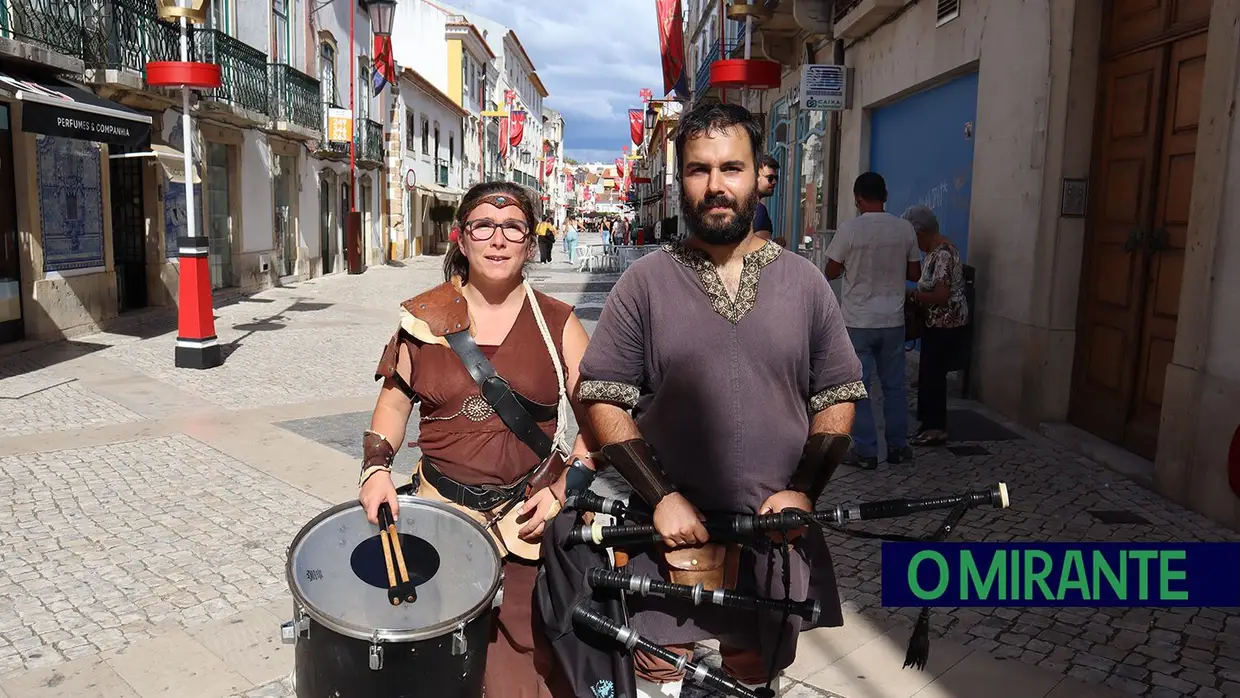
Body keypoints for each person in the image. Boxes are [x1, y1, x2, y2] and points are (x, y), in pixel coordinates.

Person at [574, 103, 865, 698]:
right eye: (697, 170)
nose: (715, 187)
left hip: (772, 540)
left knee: (754, 678)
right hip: (667, 541)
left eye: (731, 168)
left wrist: (802, 490)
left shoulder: (805, 284)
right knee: (657, 675)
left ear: (763, 176)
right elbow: (604, 397)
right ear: (680, 179)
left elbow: (837, 396)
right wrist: (660, 496)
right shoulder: (645, 283)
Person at [359, 181, 598, 698]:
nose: (497, 239)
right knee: (438, 663)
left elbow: (600, 423)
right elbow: (394, 404)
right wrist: (376, 468)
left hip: (528, 525)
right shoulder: (422, 320)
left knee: (522, 668)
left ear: (530, 242)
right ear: (460, 239)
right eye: (483, 227)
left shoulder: (559, 321)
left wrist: (566, 489)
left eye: (512, 227)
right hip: (442, 518)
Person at [824, 172, 921, 469]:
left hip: (858, 321)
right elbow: (915, 275)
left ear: (857, 199)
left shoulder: (850, 229)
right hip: (893, 320)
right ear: (886, 196)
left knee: (860, 387)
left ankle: (866, 450)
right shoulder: (904, 229)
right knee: (894, 386)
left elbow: (830, 270)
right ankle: (898, 446)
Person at [903, 205, 969, 446]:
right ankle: (927, 425)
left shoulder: (944, 254)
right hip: (935, 323)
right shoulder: (932, 252)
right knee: (927, 376)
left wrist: (912, 296)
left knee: (934, 377)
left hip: (946, 325)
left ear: (921, 232)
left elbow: (941, 295)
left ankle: (936, 428)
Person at [753, 154, 779, 240]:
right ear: (755, 177)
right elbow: (760, 250)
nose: (774, 182)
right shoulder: (759, 210)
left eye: (776, 178)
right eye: (770, 178)